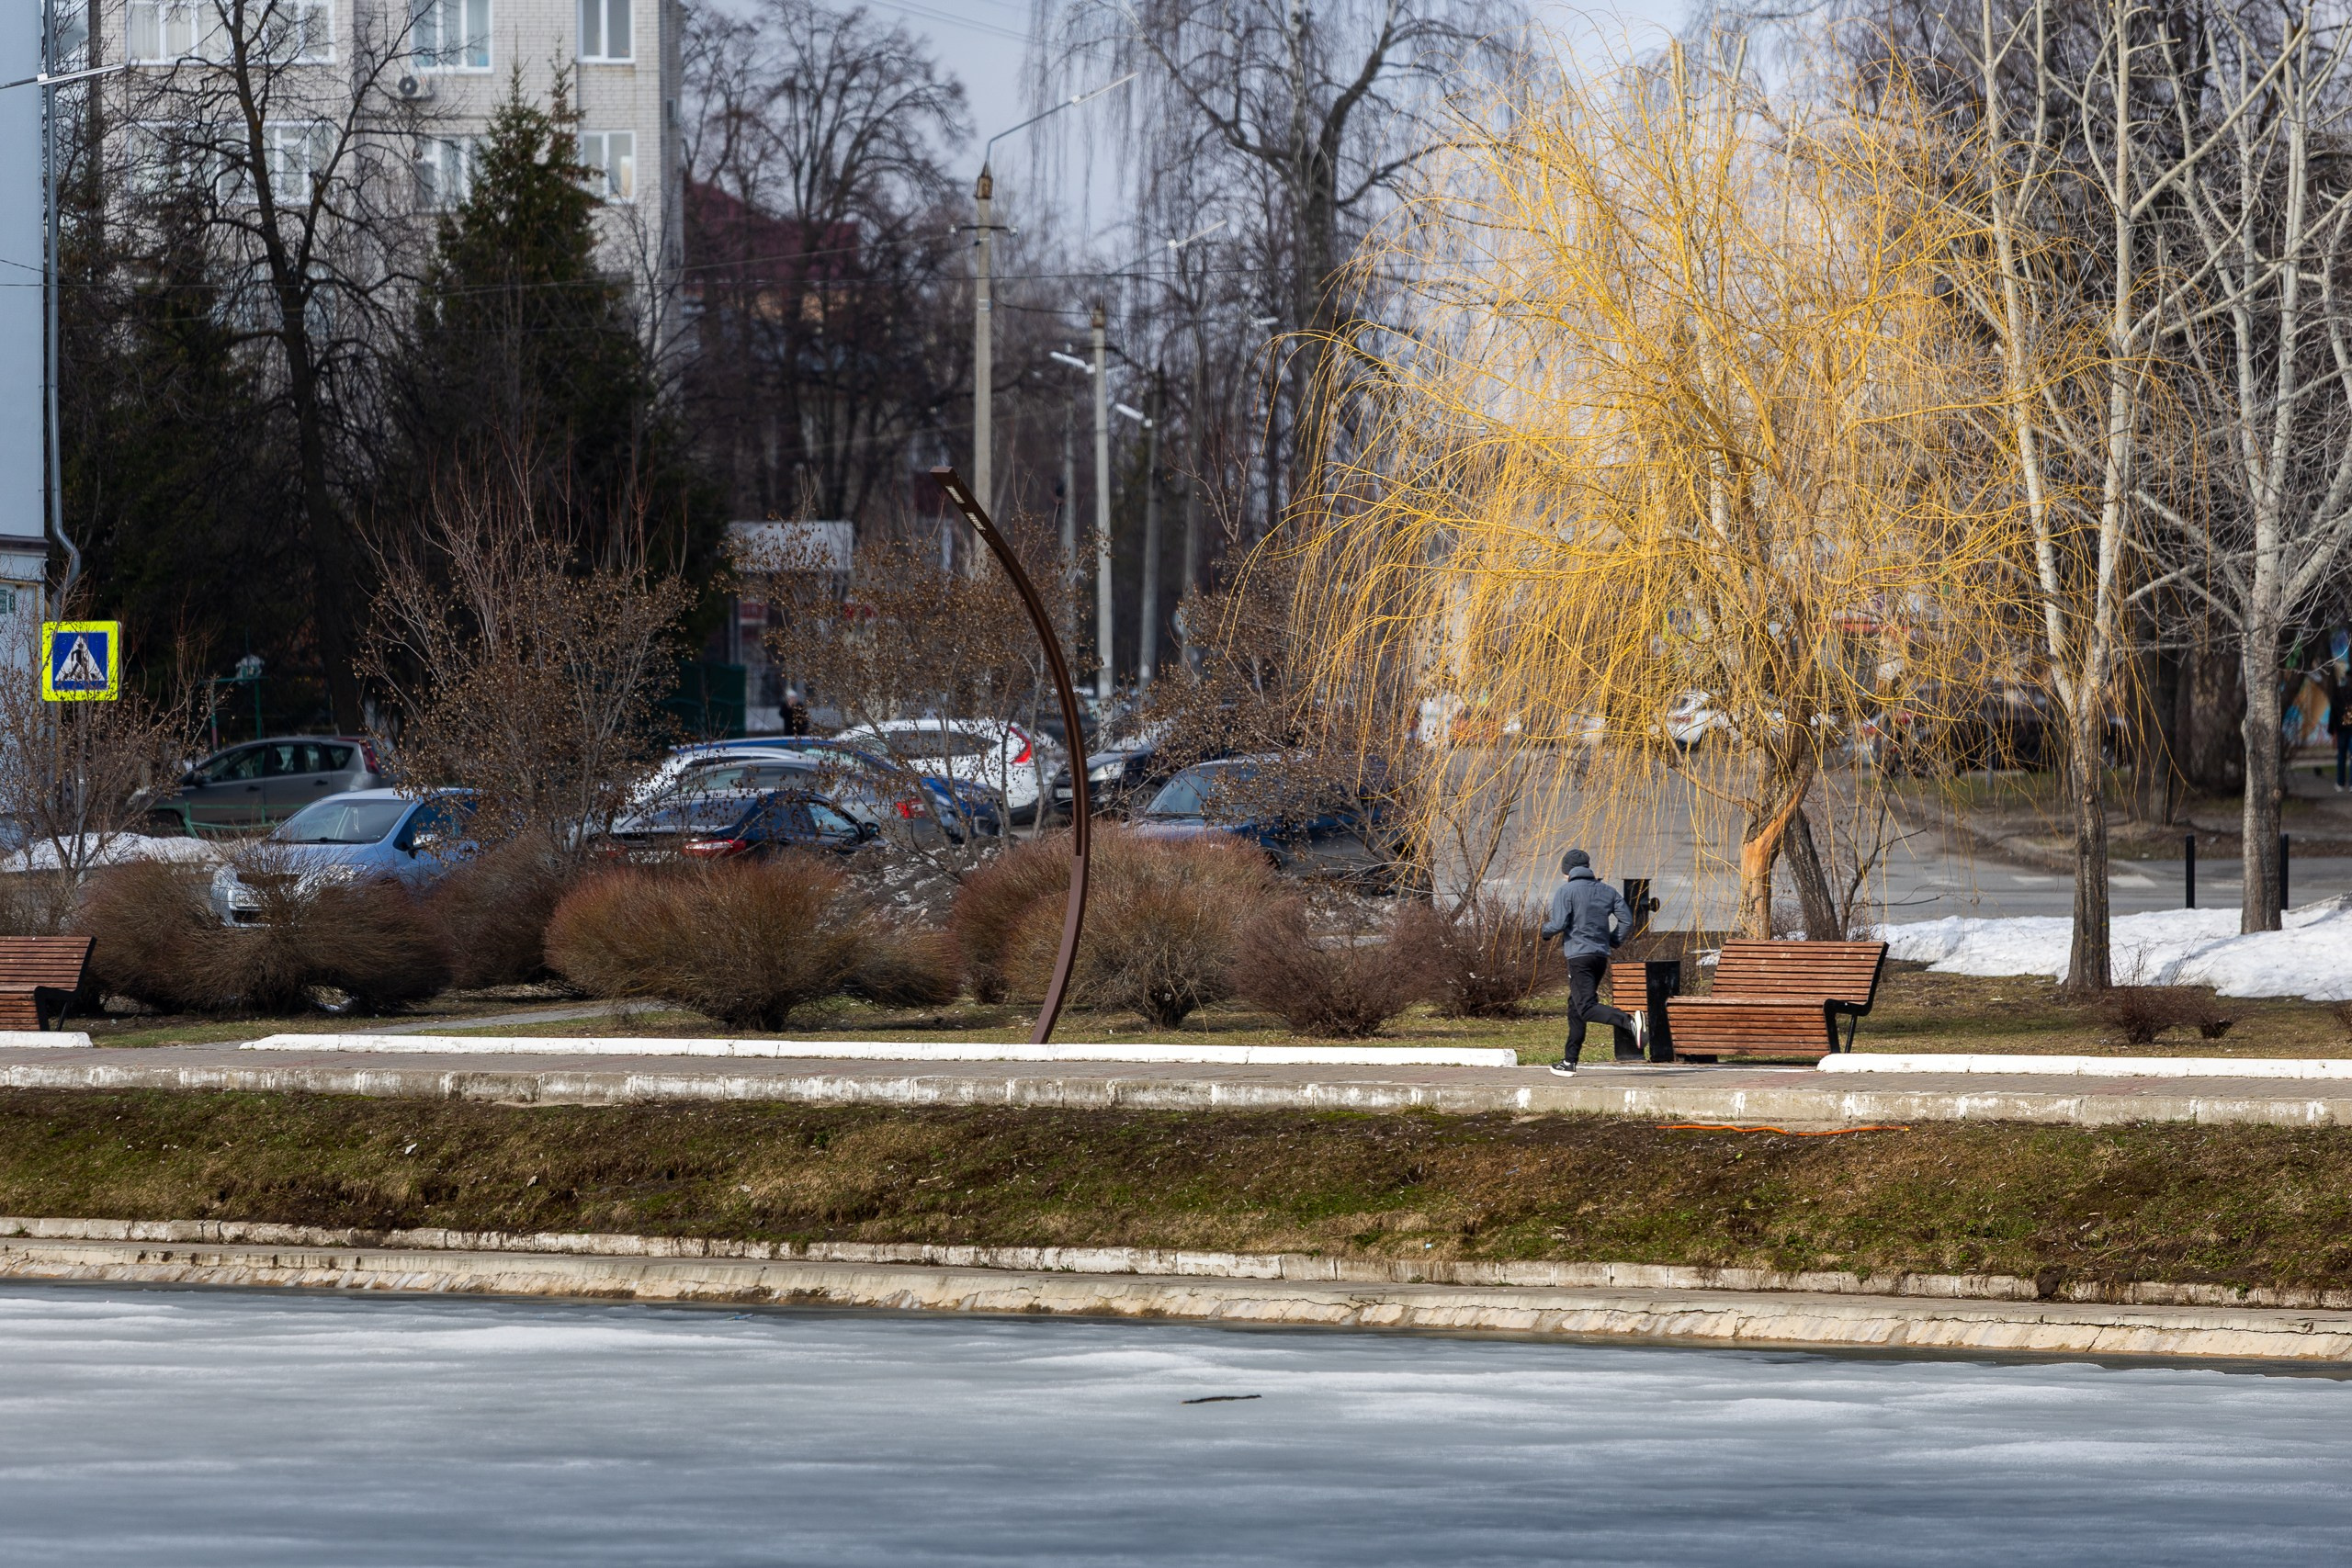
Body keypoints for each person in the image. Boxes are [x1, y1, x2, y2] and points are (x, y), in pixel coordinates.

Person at [1538, 848, 1642, 1075]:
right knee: (1575, 1006)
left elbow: (1558, 923)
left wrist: (1544, 931)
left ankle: (1629, 1022)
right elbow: (1626, 920)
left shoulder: (1566, 891)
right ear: (1587, 868)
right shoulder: (1608, 890)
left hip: (1579, 957)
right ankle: (1569, 1061)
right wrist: (1613, 940)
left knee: (1585, 1007)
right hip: (1600, 956)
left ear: (1566, 870)